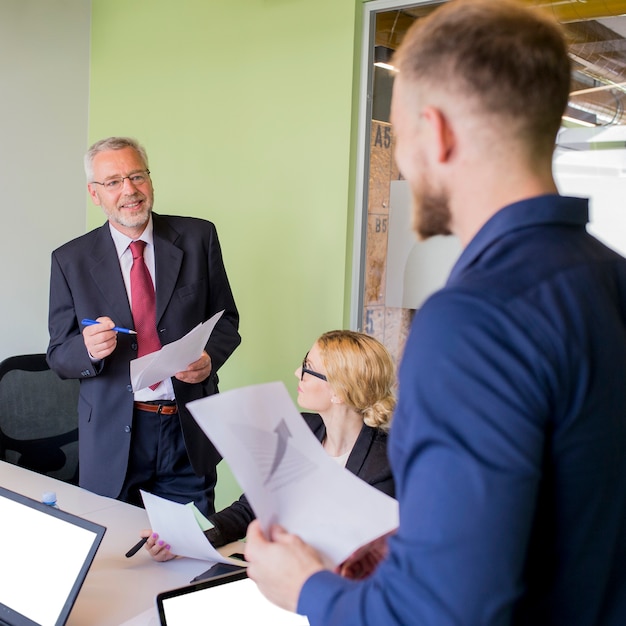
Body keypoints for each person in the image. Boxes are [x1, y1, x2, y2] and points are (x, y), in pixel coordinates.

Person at [243, 2, 626, 625]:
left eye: (401, 137)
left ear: (437, 132)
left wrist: (306, 589)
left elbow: (444, 613)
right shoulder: (611, 278)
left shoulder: (473, 320)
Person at [47, 136, 241, 517]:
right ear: (94, 193)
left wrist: (207, 358)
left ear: (150, 180)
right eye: (114, 181)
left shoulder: (199, 238)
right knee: (112, 560)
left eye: (137, 176)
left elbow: (226, 321)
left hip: (186, 432)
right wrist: (87, 349)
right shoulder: (70, 260)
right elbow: (58, 354)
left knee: (190, 559)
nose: (129, 191)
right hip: (113, 437)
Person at [142, 329, 395, 560]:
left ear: (339, 392)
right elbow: (249, 508)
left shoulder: (385, 464)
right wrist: (189, 540)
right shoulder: (300, 428)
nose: (298, 373)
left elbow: (363, 557)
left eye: (308, 367)